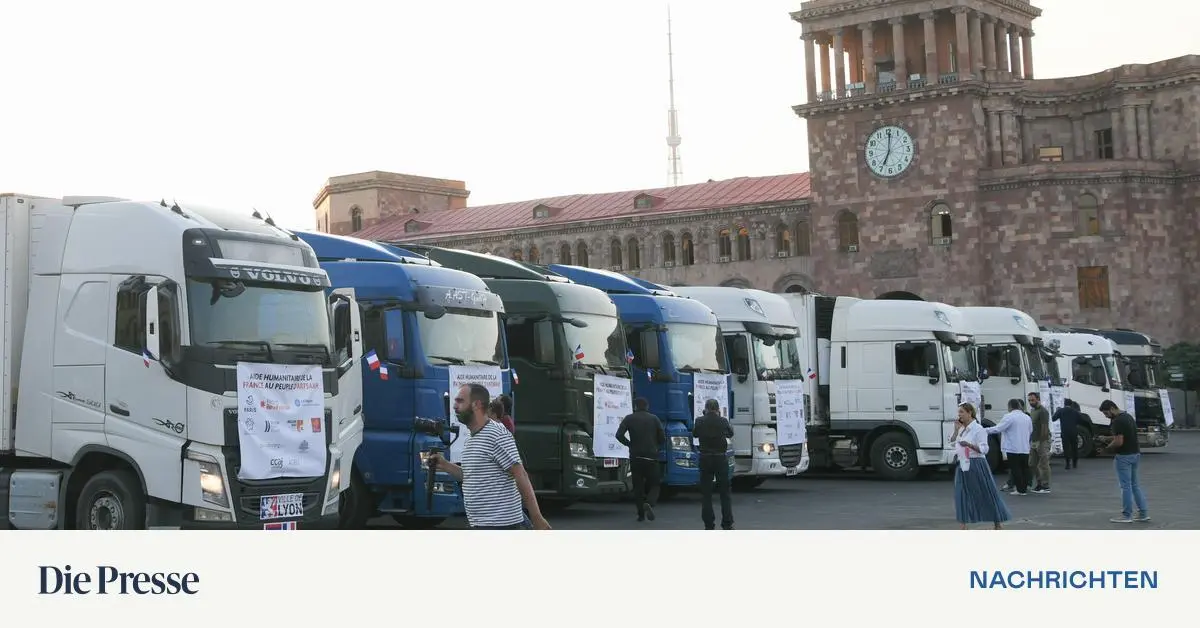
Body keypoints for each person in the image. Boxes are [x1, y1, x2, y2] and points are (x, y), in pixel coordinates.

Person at [428, 384, 550, 530]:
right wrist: (445, 464)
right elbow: (470, 476)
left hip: (500, 525)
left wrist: (536, 518)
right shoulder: (472, 439)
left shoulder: (497, 434)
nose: (454, 406)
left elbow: (520, 474)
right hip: (481, 523)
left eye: (460, 401)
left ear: (476, 405)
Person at [950, 403, 1011, 530]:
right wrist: (956, 430)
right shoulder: (962, 429)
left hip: (977, 463)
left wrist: (969, 445)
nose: (959, 415)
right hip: (963, 463)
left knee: (986, 493)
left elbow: (984, 449)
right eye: (959, 412)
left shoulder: (979, 429)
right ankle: (963, 524)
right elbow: (952, 443)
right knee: (962, 493)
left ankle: (997, 522)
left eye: (961, 412)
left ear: (969, 413)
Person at [1098, 399, 1150, 524]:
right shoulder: (1128, 417)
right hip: (1135, 454)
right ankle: (1143, 513)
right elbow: (1124, 436)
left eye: (1106, 413)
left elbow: (1119, 442)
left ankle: (1127, 515)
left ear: (1111, 409)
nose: (1106, 416)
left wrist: (1106, 449)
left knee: (1125, 487)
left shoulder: (1117, 421)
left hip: (1123, 457)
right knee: (1135, 485)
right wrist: (1107, 438)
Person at [615, 397, 666, 522]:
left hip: (636, 456)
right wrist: (656, 445)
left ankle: (641, 515)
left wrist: (629, 444)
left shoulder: (629, 418)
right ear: (647, 406)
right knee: (655, 484)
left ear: (635, 407)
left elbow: (619, 435)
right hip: (651, 457)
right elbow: (662, 438)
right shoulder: (654, 419)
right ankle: (649, 502)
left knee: (638, 487)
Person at [693, 398, 734, 530]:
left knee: (706, 494)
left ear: (705, 409)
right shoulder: (722, 421)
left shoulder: (699, 421)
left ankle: (708, 524)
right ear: (718, 410)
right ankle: (727, 522)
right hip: (720, 458)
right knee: (724, 493)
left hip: (705, 458)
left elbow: (695, 434)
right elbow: (730, 433)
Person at [986, 399, 1033, 495]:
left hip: (1013, 447)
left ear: (1010, 406)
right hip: (1024, 447)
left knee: (1016, 469)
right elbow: (1030, 430)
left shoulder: (1009, 417)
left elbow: (998, 428)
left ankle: (1020, 490)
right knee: (1024, 468)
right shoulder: (1026, 417)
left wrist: (984, 430)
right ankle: (1024, 487)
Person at [1026, 392, 1052, 494]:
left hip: (1042, 440)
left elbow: (1044, 428)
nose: (1030, 402)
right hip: (1034, 440)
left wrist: (1041, 442)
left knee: (1043, 464)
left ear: (1038, 399)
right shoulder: (1033, 411)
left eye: (1032, 400)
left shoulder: (1043, 411)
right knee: (1032, 463)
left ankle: (1045, 486)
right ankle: (1039, 483)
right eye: (1029, 400)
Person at [1053, 399, 1082, 470]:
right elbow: (1080, 420)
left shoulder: (1061, 411)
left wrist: (1057, 411)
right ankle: (1075, 463)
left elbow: (1053, 418)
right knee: (1074, 448)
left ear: (1064, 404)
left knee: (1066, 448)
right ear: (1071, 404)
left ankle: (1067, 464)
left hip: (1065, 432)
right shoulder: (1075, 412)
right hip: (1074, 431)